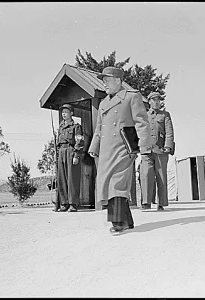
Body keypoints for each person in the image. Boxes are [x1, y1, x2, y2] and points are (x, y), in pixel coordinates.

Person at [88, 66, 153, 234]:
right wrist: (94, 146)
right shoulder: (103, 103)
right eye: (103, 80)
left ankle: (118, 222)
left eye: (107, 80)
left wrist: (144, 146)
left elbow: (142, 122)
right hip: (106, 150)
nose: (104, 84)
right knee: (109, 182)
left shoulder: (131, 97)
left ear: (118, 80)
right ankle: (127, 221)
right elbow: (99, 128)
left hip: (124, 147)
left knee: (116, 182)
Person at [139, 92, 174, 211]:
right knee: (146, 175)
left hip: (160, 149)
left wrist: (168, 146)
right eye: (154, 100)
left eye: (158, 100)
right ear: (149, 101)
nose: (157, 102)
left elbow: (169, 132)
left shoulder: (165, 115)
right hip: (146, 150)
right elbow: (139, 131)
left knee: (161, 176)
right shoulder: (143, 115)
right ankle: (146, 202)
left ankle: (162, 203)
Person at [56, 104, 84, 212]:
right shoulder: (61, 127)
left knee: (72, 179)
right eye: (62, 112)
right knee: (62, 178)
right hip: (61, 152)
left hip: (71, 152)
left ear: (71, 113)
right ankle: (64, 203)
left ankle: (73, 203)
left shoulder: (76, 126)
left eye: (66, 112)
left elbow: (80, 141)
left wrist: (76, 155)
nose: (64, 114)